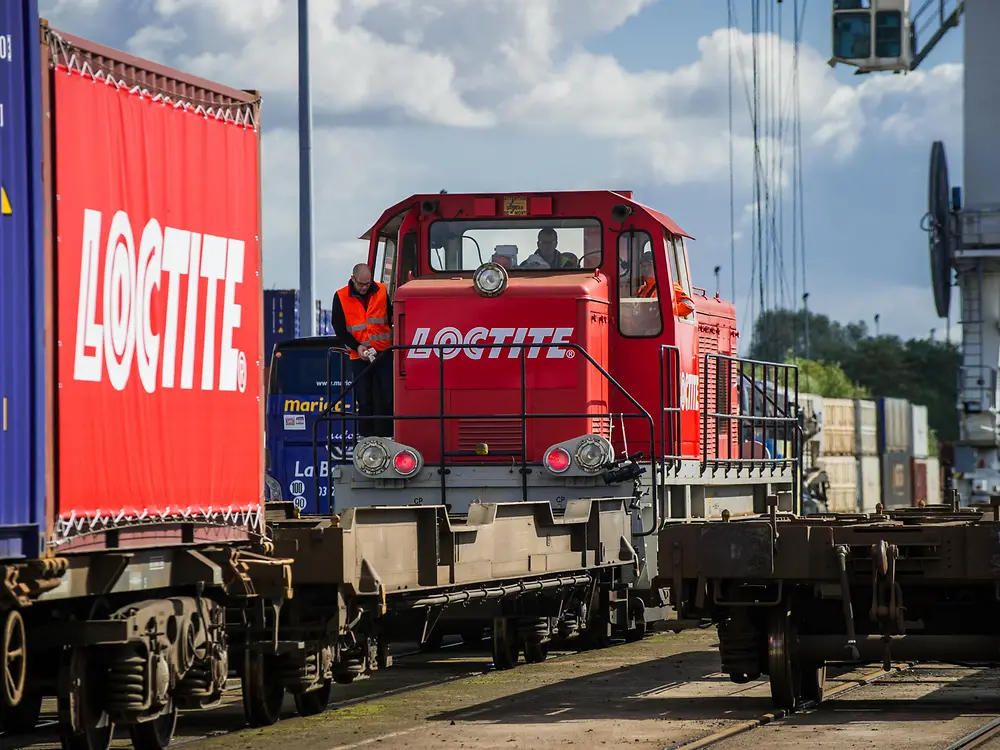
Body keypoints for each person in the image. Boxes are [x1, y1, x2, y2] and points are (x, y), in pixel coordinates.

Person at [331, 263, 394, 439]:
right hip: (358, 355)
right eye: (361, 284)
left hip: (383, 352)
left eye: (367, 284)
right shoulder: (341, 296)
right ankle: (367, 437)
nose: (365, 288)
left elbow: (389, 316)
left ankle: (388, 435)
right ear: (353, 279)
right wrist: (356, 346)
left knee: (387, 395)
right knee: (364, 398)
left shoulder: (381, 290)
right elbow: (339, 328)